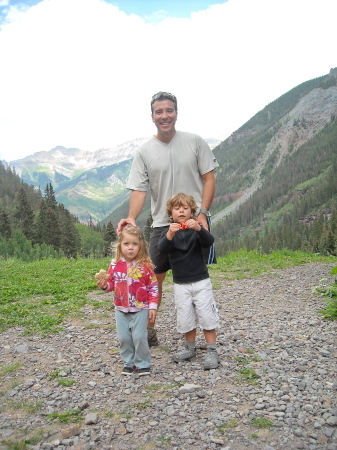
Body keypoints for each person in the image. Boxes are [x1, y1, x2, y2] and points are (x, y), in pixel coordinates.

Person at [117, 91, 219, 346]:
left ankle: (204, 336)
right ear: (152, 116)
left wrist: (204, 213)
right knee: (154, 277)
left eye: (169, 110)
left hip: (194, 223)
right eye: (159, 112)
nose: (165, 116)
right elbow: (140, 189)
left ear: (176, 112)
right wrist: (131, 217)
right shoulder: (144, 151)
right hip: (162, 226)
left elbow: (209, 177)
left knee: (197, 277)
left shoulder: (195, 141)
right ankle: (149, 328)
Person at [157, 193, 220, 370]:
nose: (182, 211)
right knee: (185, 317)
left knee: (207, 315)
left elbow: (209, 242)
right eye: (177, 208)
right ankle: (190, 347)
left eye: (185, 208)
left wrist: (200, 229)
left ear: (192, 211)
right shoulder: (168, 232)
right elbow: (162, 250)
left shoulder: (196, 229)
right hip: (180, 283)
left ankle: (212, 350)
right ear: (171, 214)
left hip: (201, 281)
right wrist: (169, 234)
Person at [97, 225, 158, 376]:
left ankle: (143, 363)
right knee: (124, 337)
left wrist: (152, 306)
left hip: (141, 308)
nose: (130, 248)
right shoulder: (115, 265)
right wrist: (105, 286)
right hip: (121, 308)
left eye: (134, 244)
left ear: (141, 246)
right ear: (120, 245)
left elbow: (153, 286)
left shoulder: (145, 266)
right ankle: (129, 363)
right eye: (126, 244)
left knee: (139, 337)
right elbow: (112, 284)